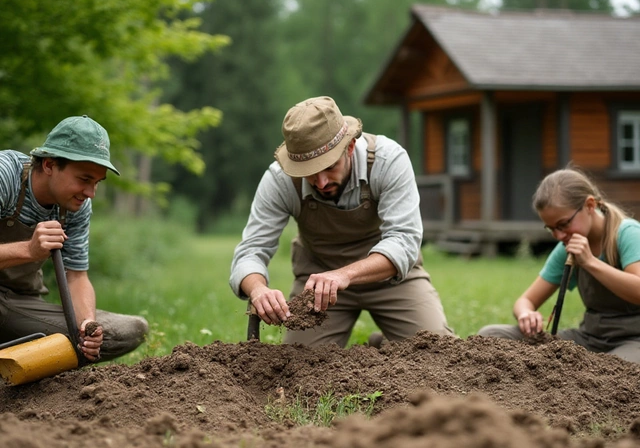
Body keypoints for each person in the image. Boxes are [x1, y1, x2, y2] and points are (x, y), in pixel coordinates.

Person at [229, 96, 453, 347]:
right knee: (298, 367)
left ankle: (385, 349)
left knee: (436, 350)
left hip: (390, 280)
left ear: (349, 147)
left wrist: (343, 275)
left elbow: (404, 241)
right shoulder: (280, 180)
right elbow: (250, 251)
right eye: (310, 173)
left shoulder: (387, 161)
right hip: (317, 289)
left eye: (329, 167)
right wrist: (258, 289)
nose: (321, 182)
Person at [0, 115, 149, 362]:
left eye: (97, 183)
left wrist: (87, 325)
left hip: (19, 307)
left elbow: (77, 276)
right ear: (49, 165)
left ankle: (19, 364)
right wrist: (28, 249)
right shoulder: (5, 175)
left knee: (128, 331)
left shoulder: (75, 205)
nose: (90, 193)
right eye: (84, 180)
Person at [478, 167, 640, 363]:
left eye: (563, 225)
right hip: (590, 339)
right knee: (491, 335)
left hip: (634, 340)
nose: (559, 236)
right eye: (551, 229)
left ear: (589, 205)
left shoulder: (627, 234)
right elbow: (525, 301)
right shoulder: (567, 247)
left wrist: (590, 262)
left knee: (618, 368)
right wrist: (526, 314)